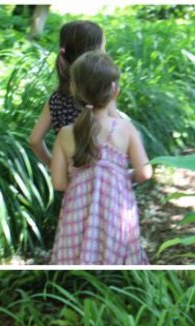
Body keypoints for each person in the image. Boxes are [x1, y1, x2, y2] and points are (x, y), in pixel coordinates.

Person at [49, 51, 151, 265]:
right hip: (116, 212)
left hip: (78, 213)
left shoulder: (65, 134)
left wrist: (83, 180)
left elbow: (58, 183)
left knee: (76, 256)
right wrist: (122, 176)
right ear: (115, 90)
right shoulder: (125, 129)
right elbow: (144, 173)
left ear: (74, 89)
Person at [28, 20, 118, 167]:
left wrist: (55, 166)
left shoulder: (56, 99)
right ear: (93, 57)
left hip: (73, 183)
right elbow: (117, 131)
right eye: (103, 48)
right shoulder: (102, 94)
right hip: (104, 180)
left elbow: (34, 140)